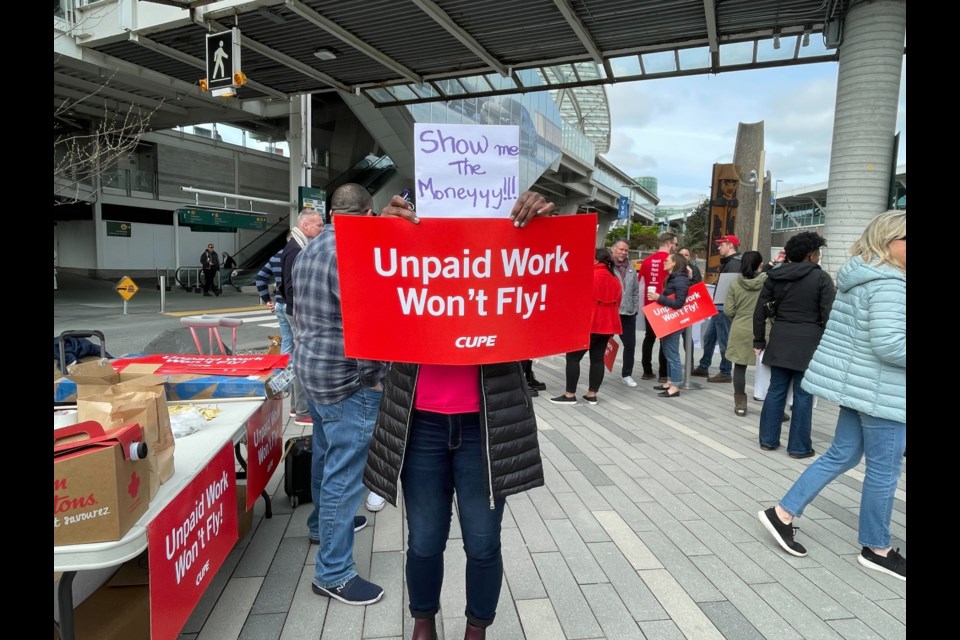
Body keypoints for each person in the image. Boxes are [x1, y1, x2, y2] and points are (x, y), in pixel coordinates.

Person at [364, 190, 552, 640]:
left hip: (487, 428)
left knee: (483, 543)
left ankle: (476, 629)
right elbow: (365, 283)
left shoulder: (509, 252)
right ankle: (423, 622)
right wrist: (379, 232)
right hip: (419, 424)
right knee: (424, 541)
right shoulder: (410, 246)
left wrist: (546, 226)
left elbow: (551, 284)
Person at [759, 211, 905, 581]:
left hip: (860, 385)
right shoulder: (890, 284)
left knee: (842, 454)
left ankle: (783, 512)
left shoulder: (861, 275)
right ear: (890, 241)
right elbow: (890, 345)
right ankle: (877, 547)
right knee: (883, 471)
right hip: (882, 389)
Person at [292, 184, 387, 605]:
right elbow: (363, 326)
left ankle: (319, 526)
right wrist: (374, 378)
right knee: (345, 477)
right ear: (368, 214)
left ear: (331, 212)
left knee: (326, 456)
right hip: (349, 380)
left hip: (313, 370)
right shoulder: (353, 255)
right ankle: (333, 573)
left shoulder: (311, 247)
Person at [752, 231, 835, 458]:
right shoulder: (822, 279)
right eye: (817, 252)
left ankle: (768, 440)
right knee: (803, 394)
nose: (818, 256)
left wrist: (758, 340)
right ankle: (799, 447)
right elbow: (828, 315)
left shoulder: (775, 276)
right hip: (809, 342)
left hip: (780, 337)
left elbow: (759, 311)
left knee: (776, 389)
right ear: (810, 255)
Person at [550, 247, 623, 406]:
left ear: (596, 260)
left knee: (573, 358)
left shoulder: (588, 276)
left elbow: (575, 300)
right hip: (608, 324)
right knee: (597, 359)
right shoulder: (615, 279)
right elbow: (618, 302)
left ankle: (569, 395)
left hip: (588, 322)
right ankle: (592, 394)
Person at [282, 208, 325, 427]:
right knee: (302, 359)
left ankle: (294, 407)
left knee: (298, 357)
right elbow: (291, 287)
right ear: (305, 225)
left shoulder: (298, 246)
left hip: (295, 311)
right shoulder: (296, 249)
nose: (322, 228)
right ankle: (302, 409)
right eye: (318, 225)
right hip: (298, 312)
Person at [692, 234, 741, 382]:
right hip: (720, 307)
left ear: (730, 245)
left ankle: (725, 372)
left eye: (722, 245)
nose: (719, 247)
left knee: (723, 340)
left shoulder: (734, 263)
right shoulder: (732, 262)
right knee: (709, 337)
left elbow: (731, 288)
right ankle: (703, 366)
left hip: (723, 308)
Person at [723, 251, 767, 417]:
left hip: (740, 327)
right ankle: (773, 406)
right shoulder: (767, 282)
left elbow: (728, 310)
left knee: (740, 367)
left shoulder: (735, 284)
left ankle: (740, 405)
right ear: (759, 264)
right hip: (763, 328)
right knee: (767, 369)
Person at [647, 252, 689, 398]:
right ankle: (670, 381)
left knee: (672, 354)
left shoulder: (680, 280)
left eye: (667, 260)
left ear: (674, 263)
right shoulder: (674, 278)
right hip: (668, 320)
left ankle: (675, 385)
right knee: (667, 352)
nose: (664, 262)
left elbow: (679, 303)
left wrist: (659, 298)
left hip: (674, 321)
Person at [638, 233, 678, 382]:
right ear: (669, 243)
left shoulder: (647, 261)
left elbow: (640, 284)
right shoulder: (672, 261)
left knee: (649, 338)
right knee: (664, 339)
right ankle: (663, 374)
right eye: (675, 244)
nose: (675, 247)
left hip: (649, 304)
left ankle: (646, 371)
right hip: (666, 304)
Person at [610, 239, 640, 387]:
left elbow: (635, 290)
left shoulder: (631, 268)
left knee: (630, 344)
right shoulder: (606, 266)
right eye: (621, 249)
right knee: (600, 344)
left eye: (626, 250)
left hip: (627, 313)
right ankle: (596, 372)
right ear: (613, 249)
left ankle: (627, 374)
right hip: (610, 312)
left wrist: (635, 309)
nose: (623, 252)